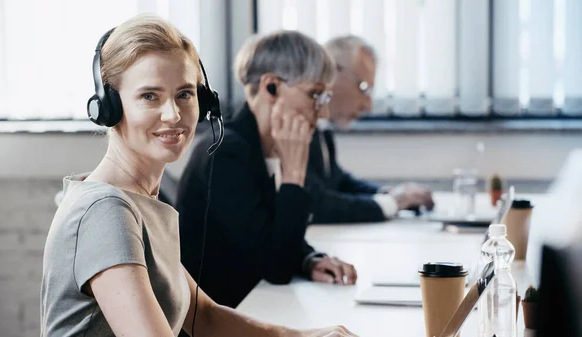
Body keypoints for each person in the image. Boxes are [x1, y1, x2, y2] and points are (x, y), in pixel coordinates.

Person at [40, 15, 356, 337]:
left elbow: (205, 315)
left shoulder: (140, 201)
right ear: (109, 108)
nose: (173, 114)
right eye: (149, 96)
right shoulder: (105, 211)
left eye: (184, 94)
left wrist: (303, 336)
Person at [176, 31, 357, 309]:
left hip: (255, 306)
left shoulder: (258, 147)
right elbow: (276, 267)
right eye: (315, 95)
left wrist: (309, 259)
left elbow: (266, 232)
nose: (323, 114)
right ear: (271, 87)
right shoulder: (225, 153)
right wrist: (294, 176)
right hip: (220, 318)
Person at [305, 35, 435, 224]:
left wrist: (390, 194)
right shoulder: (293, 128)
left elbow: (339, 181)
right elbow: (317, 204)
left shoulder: (321, 129)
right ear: (331, 73)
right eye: (364, 88)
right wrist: (392, 203)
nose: (369, 106)